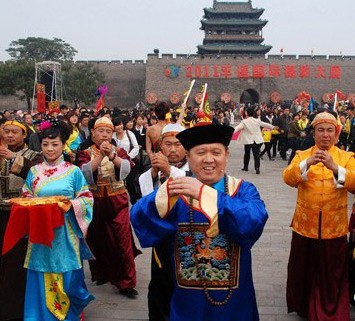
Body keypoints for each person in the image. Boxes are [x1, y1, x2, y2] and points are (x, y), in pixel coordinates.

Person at [131, 122, 269, 321]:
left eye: (216, 152)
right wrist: (160, 198)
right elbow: (139, 217)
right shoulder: (177, 190)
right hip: (186, 302)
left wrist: (204, 194)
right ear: (188, 157)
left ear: (227, 156)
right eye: (200, 152)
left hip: (235, 304)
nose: (209, 159)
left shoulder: (242, 190)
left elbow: (253, 221)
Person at [12, 118, 95, 320]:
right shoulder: (34, 171)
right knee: (40, 272)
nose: (50, 149)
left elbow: (86, 198)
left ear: (63, 144)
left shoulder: (73, 171)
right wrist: (30, 203)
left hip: (64, 233)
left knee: (66, 275)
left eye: (55, 144)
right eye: (45, 144)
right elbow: (26, 195)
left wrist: (70, 205)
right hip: (40, 234)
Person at [283, 111, 355, 321]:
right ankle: (304, 305)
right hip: (306, 224)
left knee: (331, 272)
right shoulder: (302, 154)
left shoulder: (347, 157)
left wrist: (335, 167)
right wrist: (307, 163)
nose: (325, 135)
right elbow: (288, 177)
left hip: (335, 227)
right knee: (304, 269)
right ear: (314, 133)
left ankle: (330, 308)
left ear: (337, 134)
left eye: (330, 130)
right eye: (320, 130)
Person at [77, 117, 140, 298]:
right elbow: (84, 172)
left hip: (117, 201)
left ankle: (126, 282)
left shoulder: (119, 150)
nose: (104, 135)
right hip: (94, 201)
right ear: (93, 133)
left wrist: (112, 156)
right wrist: (99, 156)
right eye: (100, 131)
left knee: (123, 241)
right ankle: (101, 273)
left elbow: (127, 168)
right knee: (97, 239)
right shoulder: (85, 152)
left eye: (108, 132)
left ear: (112, 134)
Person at [139, 123, 188, 321]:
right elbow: (143, 197)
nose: (173, 149)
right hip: (162, 239)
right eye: (168, 144)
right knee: (160, 284)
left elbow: (191, 185)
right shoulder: (155, 169)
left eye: (178, 144)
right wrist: (153, 173)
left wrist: (170, 171)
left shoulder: (193, 168)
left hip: (187, 238)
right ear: (160, 146)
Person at [0, 119, 42, 321]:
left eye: (14, 132)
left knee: (16, 263)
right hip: (0, 214)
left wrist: (14, 157)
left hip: (19, 214)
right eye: (6, 131)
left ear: (24, 135)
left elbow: (38, 177)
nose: (9, 135)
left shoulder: (34, 156)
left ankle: (15, 310)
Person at [234, 106, 276, 174]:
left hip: (248, 140)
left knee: (247, 153)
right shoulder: (257, 120)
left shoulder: (244, 121)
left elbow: (237, 128)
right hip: (256, 140)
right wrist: (273, 127)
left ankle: (245, 167)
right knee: (256, 154)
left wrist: (230, 132)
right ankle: (257, 168)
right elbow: (265, 124)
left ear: (246, 113)